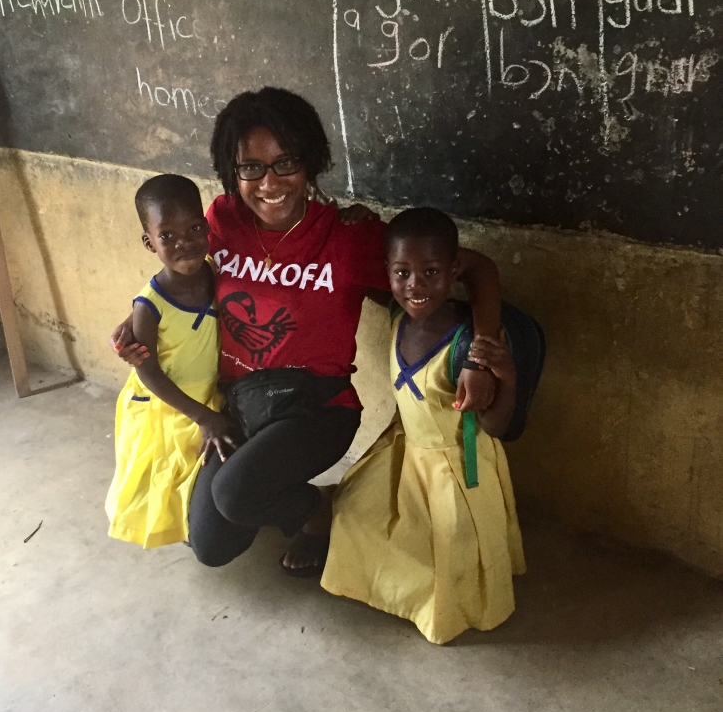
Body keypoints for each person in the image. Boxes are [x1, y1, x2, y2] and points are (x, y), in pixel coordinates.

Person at [113, 87, 502, 576]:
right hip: (242, 403)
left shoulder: (347, 237)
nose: (269, 182)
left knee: (235, 493)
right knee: (212, 546)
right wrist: (141, 309)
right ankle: (290, 495)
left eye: (286, 163)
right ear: (233, 173)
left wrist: (480, 357)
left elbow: (477, 270)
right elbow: (183, 270)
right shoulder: (221, 221)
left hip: (316, 407)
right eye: (251, 168)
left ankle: (318, 516)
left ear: (311, 162)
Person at [320, 207, 525, 643]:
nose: (415, 285)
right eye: (402, 273)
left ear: (453, 272)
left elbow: (495, 425)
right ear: (388, 275)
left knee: (447, 551)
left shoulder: (468, 344)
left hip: (456, 473)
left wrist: (506, 378)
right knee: (353, 513)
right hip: (407, 455)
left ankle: (440, 608)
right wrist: (355, 225)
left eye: (431, 272)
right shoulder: (399, 317)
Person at [105, 174, 237, 548]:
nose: (185, 243)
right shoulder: (150, 305)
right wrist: (203, 416)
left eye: (195, 228)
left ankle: (194, 520)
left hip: (206, 396)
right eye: (168, 236)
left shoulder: (215, 272)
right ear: (149, 243)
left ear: (208, 226)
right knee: (164, 476)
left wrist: (208, 411)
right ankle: (180, 528)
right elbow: (147, 371)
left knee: (191, 472)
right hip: (166, 407)